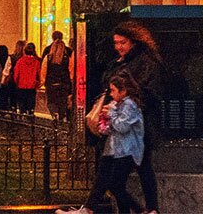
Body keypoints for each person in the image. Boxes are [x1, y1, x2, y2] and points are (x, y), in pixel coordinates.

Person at [60, 73, 146, 214]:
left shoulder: (130, 105)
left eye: (113, 90)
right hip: (116, 150)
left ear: (123, 91)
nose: (110, 94)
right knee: (115, 184)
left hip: (126, 151)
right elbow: (113, 128)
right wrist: (104, 122)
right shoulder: (119, 104)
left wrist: (111, 114)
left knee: (115, 185)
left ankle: (139, 210)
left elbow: (122, 127)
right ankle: (130, 211)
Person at [108, 20, 163, 213]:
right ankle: (148, 209)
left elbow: (146, 92)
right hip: (132, 128)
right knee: (138, 171)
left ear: (134, 42)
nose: (119, 47)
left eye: (122, 43)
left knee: (126, 175)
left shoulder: (145, 62)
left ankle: (146, 209)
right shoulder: (123, 62)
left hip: (138, 127)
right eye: (116, 43)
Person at [43, 32, 72, 123]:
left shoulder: (48, 56)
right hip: (64, 83)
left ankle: (55, 114)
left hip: (51, 83)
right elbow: (71, 70)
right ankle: (61, 117)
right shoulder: (68, 54)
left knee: (51, 102)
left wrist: (43, 82)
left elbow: (43, 70)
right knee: (62, 102)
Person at [12, 40, 42, 113]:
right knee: (30, 104)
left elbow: (16, 74)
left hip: (21, 86)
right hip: (32, 86)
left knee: (22, 105)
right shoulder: (36, 62)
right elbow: (39, 74)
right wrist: (37, 84)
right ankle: (30, 115)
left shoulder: (20, 61)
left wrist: (17, 82)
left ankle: (23, 116)